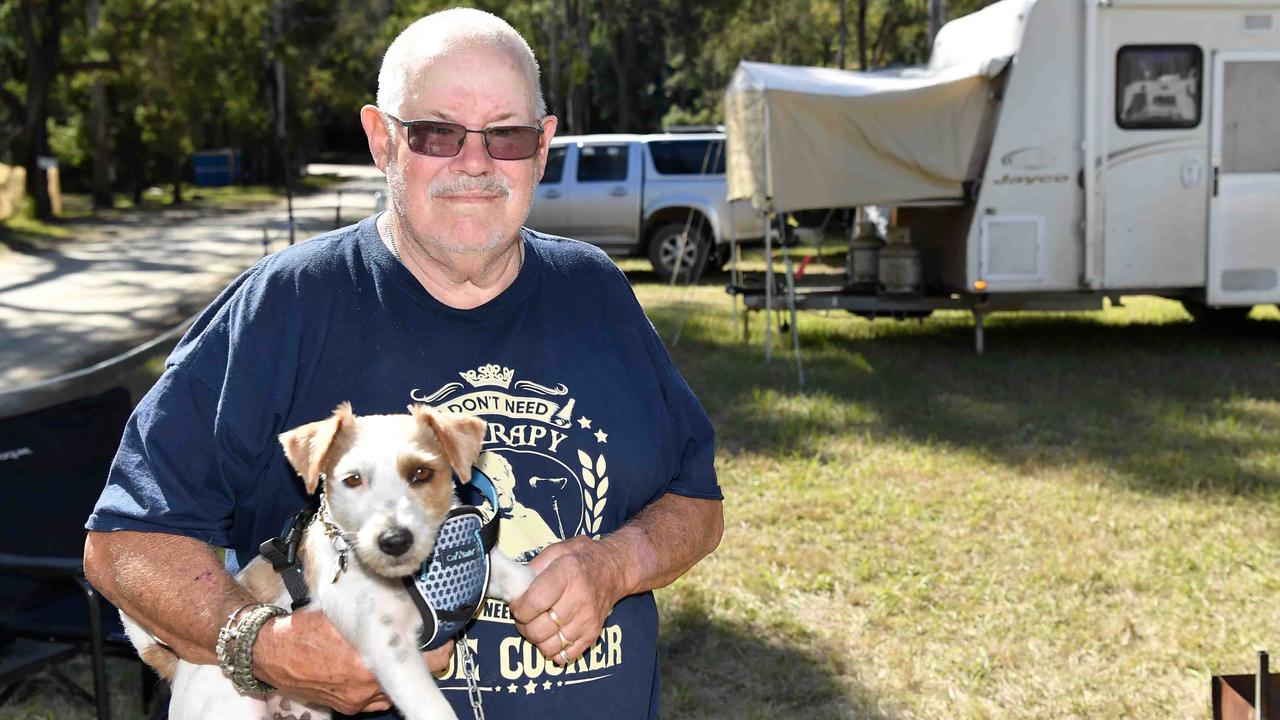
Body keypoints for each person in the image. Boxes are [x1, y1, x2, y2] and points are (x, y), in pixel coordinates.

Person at [82, 7, 722, 719]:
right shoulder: (285, 304)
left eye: (505, 134)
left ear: (542, 147)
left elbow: (696, 500)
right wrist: (263, 647)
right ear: (382, 140)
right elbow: (124, 543)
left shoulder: (597, 290)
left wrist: (617, 563)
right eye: (436, 133)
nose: (474, 162)